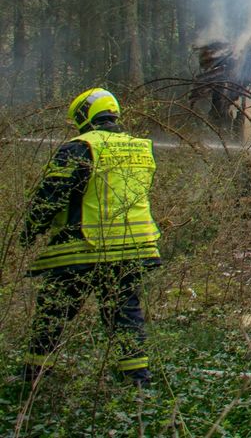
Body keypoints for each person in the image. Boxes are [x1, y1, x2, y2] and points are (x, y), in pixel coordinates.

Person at [20, 88, 161, 388]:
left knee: (54, 310)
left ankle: (33, 377)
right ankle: (138, 381)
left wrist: (29, 232)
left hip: (83, 248)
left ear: (84, 116)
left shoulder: (79, 147)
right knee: (125, 314)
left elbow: (50, 197)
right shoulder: (141, 148)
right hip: (134, 247)